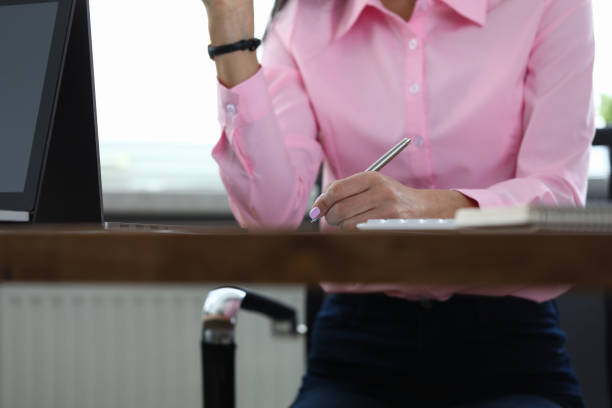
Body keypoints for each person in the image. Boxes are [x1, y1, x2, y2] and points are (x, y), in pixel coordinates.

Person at [201, 0, 595, 406]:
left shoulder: (551, 6)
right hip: (357, 347)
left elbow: (559, 201)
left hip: (509, 347)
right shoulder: (299, 21)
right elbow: (270, 217)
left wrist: (434, 208)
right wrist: (230, 32)